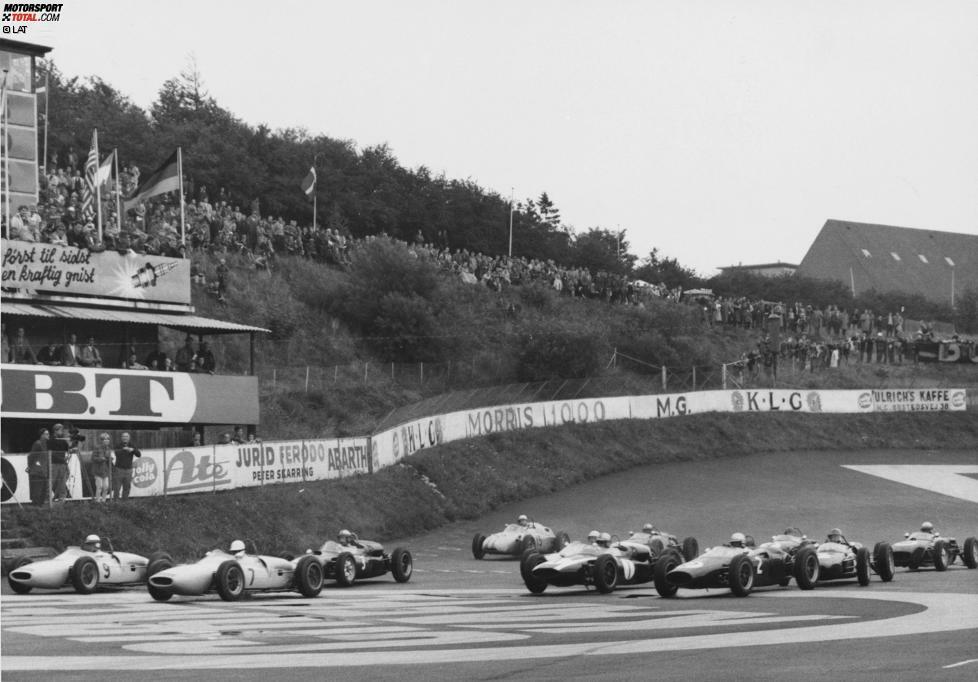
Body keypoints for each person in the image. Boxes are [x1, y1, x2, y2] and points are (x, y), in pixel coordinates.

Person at [111, 432, 141, 500]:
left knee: (127, 487)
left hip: (129, 470)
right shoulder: (118, 445)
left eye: (126, 436)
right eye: (123, 436)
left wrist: (133, 450)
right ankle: (116, 503)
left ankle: (125, 503)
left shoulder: (132, 445)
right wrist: (125, 449)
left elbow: (139, 455)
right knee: (117, 488)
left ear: (129, 438)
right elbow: (117, 453)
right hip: (119, 469)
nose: (125, 438)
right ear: (121, 438)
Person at [48, 423, 73, 502]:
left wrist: (71, 447)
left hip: (62, 463)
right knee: (52, 481)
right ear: (55, 431)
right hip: (54, 463)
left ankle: (61, 498)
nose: (62, 432)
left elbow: (68, 449)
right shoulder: (51, 440)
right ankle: (48, 498)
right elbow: (50, 452)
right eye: (60, 430)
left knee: (62, 481)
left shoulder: (63, 440)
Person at [27, 428, 50, 505]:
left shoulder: (47, 444)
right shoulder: (38, 444)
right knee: (37, 491)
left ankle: (40, 507)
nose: (48, 435)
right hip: (37, 471)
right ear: (41, 435)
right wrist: (30, 466)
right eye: (46, 434)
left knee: (43, 492)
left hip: (44, 471)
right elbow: (31, 456)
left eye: (48, 434)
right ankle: (36, 507)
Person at [90, 433, 112, 503]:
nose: (106, 441)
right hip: (98, 471)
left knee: (106, 487)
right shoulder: (97, 447)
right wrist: (100, 459)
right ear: (101, 440)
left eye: (108, 439)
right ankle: (97, 501)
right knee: (99, 487)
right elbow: (93, 458)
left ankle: (103, 501)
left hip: (105, 471)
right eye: (105, 439)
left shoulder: (108, 449)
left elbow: (108, 459)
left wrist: (110, 459)